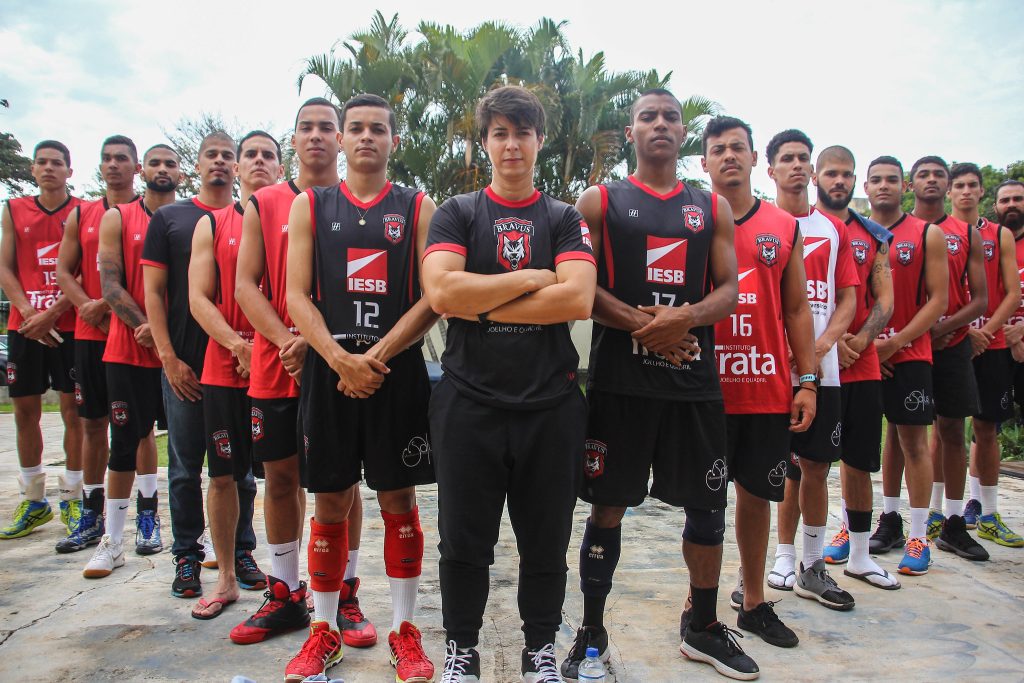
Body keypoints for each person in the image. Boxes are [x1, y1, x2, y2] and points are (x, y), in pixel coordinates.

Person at [422, 85, 597, 683]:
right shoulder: (458, 213)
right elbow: (441, 292)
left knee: (546, 542)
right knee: (462, 542)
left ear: (540, 140)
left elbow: (577, 299)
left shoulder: (563, 218)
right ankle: (462, 650)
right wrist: (529, 278)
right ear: (485, 143)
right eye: (500, 133)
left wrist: (480, 301)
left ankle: (539, 650)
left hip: (551, 406)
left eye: (522, 132)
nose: (512, 144)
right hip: (468, 402)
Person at [285, 93, 438, 683]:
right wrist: (338, 358)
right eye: (357, 128)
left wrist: (374, 357)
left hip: (394, 372)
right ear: (342, 139)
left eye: (379, 128)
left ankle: (405, 631)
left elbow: (433, 296)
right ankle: (323, 631)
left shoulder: (418, 206)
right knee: (329, 500)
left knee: (399, 498)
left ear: (394, 140)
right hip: (331, 373)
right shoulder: (311, 205)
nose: (367, 136)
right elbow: (296, 294)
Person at [231, 99, 372, 647]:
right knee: (281, 479)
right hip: (278, 363)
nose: (316, 135)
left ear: (340, 138)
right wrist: (287, 340)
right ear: (293, 140)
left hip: (337, 364)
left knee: (342, 482)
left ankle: (345, 593)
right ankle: (285, 592)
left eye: (326, 127)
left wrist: (318, 346)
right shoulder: (265, 202)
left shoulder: (356, 202)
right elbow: (246, 285)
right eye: (305, 127)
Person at [691, 116, 815, 655]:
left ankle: (755, 599)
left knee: (758, 496)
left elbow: (797, 309)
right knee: (703, 501)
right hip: (704, 389)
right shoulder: (691, 220)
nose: (729, 156)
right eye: (718, 149)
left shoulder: (782, 225)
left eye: (737, 147)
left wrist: (807, 381)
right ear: (704, 162)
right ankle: (698, 604)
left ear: (751, 158)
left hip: (765, 386)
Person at [142, 132, 261, 598]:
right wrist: (168, 358)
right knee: (185, 467)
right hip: (187, 363)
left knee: (239, 471)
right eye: (211, 154)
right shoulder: (172, 218)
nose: (220, 162)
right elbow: (155, 293)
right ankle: (187, 556)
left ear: (236, 167)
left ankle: (241, 550)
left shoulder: (255, 217)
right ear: (197, 164)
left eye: (227, 155)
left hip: (239, 364)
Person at [187, 131, 284, 619]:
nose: (260, 161)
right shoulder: (212, 224)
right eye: (251, 155)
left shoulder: (295, 216)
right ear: (237, 168)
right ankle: (225, 577)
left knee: (286, 477)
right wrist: (238, 345)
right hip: (225, 369)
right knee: (223, 475)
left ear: (281, 168)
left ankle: (289, 581)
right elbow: (198, 298)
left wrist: (269, 346)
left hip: (283, 366)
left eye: (269, 155)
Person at [766, 131, 858, 611]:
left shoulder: (834, 230)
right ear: (772, 170)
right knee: (772, 469)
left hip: (823, 371)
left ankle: (813, 564)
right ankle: (780, 558)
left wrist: (819, 347)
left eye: (804, 158)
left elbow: (848, 299)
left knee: (818, 467)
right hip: (768, 370)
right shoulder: (761, 224)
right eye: (788, 158)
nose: (798, 165)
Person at [83, 144, 180, 577]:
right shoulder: (118, 217)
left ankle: (190, 536)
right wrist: (146, 326)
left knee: (188, 450)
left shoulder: (190, 218)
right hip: (127, 350)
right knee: (123, 442)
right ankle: (112, 541)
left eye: (170, 163)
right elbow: (110, 284)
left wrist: (163, 335)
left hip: (178, 353)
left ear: (181, 173)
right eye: (155, 162)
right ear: (143, 170)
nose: (162, 169)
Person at [813, 147, 900, 590]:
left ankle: (861, 555)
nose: (839, 181)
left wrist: (861, 341)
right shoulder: (801, 227)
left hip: (860, 364)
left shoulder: (873, 234)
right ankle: (796, 557)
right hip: (813, 364)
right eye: (831, 173)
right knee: (805, 466)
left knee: (859, 462)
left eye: (846, 174)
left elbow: (884, 299)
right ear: (816, 177)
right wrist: (827, 345)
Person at [54, 135, 139, 553]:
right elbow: (64, 271)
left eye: (121, 158)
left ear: (135, 167)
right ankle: (91, 511)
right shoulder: (81, 213)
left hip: (132, 333)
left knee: (138, 429)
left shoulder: (149, 212)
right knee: (91, 423)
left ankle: (146, 512)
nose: (113, 164)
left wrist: (108, 303)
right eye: (107, 158)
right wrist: (85, 305)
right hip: (89, 335)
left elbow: (145, 277)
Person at [864, 156, 948, 576]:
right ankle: (880, 523)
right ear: (866, 186)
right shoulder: (855, 232)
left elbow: (938, 300)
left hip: (910, 354)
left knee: (914, 441)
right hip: (865, 356)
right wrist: (867, 346)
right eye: (876, 179)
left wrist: (895, 343)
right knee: (864, 446)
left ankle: (919, 536)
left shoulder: (927, 234)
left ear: (905, 186)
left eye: (892, 180)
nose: (884, 186)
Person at [906, 157, 989, 561]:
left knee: (954, 431)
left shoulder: (966, 234)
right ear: (911, 184)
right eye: (923, 174)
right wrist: (915, 334)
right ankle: (895, 518)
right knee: (905, 434)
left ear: (948, 184)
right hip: (908, 345)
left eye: (939, 175)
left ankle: (954, 523)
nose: (932, 180)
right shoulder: (895, 230)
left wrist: (942, 329)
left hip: (950, 344)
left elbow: (980, 299)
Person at [0, 140, 82, 540]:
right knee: (25, 411)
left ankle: (73, 496)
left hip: (70, 327)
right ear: (32, 169)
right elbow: (5, 266)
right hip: (25, 326)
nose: (49, 168)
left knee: (74, 412)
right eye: (42, 162)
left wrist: (52, 312)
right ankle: (33, 499)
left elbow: (85, 271)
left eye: (57, 163)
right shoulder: (14, 209)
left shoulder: (82, 211)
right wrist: (29, 313)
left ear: (69, 171)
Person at [970, 178, 1024, 547]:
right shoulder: (982, 238)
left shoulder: (999, 239)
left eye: (1018, 198)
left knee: (988, 426)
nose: (1011, 204)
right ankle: (973, 505)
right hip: (987, 343)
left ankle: (987, 509)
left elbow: (1012, 293)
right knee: (974, 428)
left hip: (1005, 340)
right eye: (1005, 199)